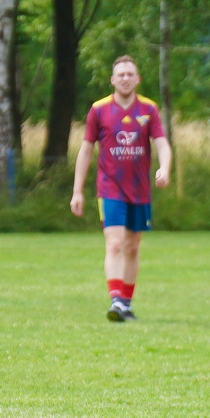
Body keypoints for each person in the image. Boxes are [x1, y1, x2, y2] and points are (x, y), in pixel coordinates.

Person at [71, 55, 172, 322]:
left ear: (137, 79)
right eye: (121, 74)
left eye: (130, 74)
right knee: (114, 244)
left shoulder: (149, 110)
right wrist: (77, 191)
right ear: (112, 80)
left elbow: (162, 143)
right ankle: (116, 300)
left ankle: (125, 303)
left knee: (132, 247)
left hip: (140, 191)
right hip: (109, 189)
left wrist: (165, 168)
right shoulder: (99, 110)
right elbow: (85, 150)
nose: (125, 78)